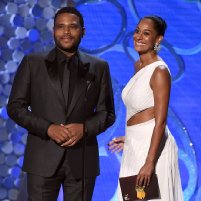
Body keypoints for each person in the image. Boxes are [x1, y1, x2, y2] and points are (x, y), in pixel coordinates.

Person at [7, 7, 115, 201]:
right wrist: (48, 128)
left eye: (73, 27)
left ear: (83, 31)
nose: (66, 32)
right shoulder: (33, 63)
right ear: (53, 31)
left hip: (82, 159)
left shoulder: (99, 67)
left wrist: (84, 128)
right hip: (42, 158)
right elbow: (16, 107)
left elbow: (106, 112)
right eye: (60, 27)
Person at [108, 16, 183, 201]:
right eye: (137, 31)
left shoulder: (160, 71)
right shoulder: (138, 66)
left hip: (153, 152)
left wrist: (150, 162)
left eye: (146, 33)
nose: (139, 36)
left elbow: (161, 119)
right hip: (136, 145)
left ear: (158, 39)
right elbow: (140, 110)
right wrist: (131, 138)